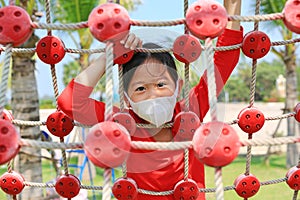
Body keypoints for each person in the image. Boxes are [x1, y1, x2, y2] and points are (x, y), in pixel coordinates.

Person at [57, 1, 243, 199]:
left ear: (178, 87)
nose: (153, 94)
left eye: (161, 85)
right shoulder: (121, 125)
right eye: (140, 89)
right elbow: (69, 103)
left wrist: (233, 6)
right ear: (126, 99)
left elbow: (225, 60)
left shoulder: (191, 110)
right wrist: (107, 57)